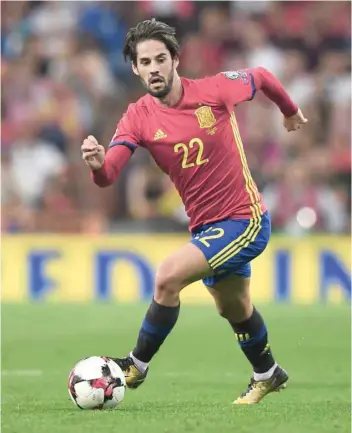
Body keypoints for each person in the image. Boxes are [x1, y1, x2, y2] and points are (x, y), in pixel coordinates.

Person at [81, 19, 307, 404]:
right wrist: (99, 164)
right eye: (145, 62)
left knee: (167, 277)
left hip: (245, 218)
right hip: (205, 228)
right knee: (233, 307)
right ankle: (268, 373)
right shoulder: (138, 116)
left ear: (175, 60)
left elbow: (264, 76)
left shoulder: (215, 90)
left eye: (160, 59)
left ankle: (135, 365)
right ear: (135, 68)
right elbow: (109, 176)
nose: (154, 68)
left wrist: (290, 111)